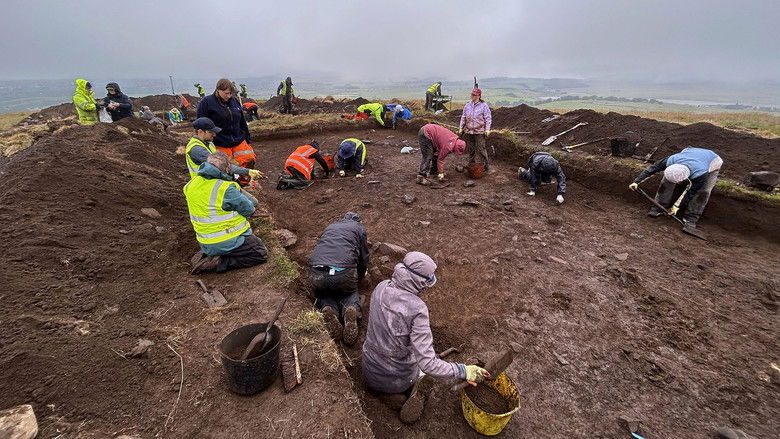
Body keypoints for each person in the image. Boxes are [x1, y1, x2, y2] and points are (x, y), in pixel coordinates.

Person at [362, 251, 489, 423]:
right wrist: (463, 370)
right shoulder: (417, 309)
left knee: (411, 352)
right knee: (426, 369)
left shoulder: (381, 287)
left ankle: (392, 394)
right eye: (426, 284)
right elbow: (428, 364)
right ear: (419, 282)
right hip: (396, 377)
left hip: (369, 367)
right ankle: (408, 396)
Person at [184, 152, 268, 274]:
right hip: (226, 241)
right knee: (260, 253)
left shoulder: (190, 185)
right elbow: (249, 208)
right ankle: (218, 262)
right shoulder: (225, 188)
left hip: (205, 241)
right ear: (227, 169)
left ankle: (211, 254)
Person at [309, 212, 369, 346]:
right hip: (343, 272)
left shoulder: (331, 226)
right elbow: (363, 257)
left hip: (317, 271)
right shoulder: (359, 228)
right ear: (358, 221)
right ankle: (350, 308)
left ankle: (328, 308)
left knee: (322, 293)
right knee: (349, 292)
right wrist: (360, 276)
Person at [629, 146, 723, 228]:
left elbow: (690, 191)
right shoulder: (670, 160)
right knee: (666, 182)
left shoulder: (700, 174)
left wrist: (676, 206)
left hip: (713, 161)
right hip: (689, 152)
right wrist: (636, 182)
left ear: (684, 179)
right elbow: (652, 169)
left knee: (704, 191)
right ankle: (659, 207)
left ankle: (691, 218)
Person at [197, 78, 256, 184]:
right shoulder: (206, 102)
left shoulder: (234, 101)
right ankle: (231, 183)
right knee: (224, 167)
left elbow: (242, 121)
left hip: (238, 138)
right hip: (220, 141)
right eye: (226, 93)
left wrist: (247, 138)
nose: (229, 96)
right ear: (218, 90)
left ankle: (242, 180)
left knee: (249, 158)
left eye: (230, 93)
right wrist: (205, 142)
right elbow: (201, 123)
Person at [185, 117, 261, 181]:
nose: (214, 135)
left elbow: (221, 161)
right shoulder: (197, 149)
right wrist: (247, 172)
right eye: (211, 132)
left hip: (213, 180)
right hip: (204, 184)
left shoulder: (209, 143)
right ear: (200, 132)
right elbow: (222, 165)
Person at [459, 88, 492, 171]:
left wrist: (487, 129)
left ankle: (485, 166)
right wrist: (460, 127)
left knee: (481, 149)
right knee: (471, 148)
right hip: (469, 131)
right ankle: (471, 164)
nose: (472, 96)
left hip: (480, 131)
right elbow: (463, 117)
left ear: (479, 96)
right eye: (472, 94)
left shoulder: (484, 106)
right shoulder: (467, 105)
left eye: (474, 95)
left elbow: (488, 118)